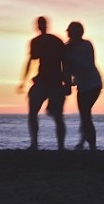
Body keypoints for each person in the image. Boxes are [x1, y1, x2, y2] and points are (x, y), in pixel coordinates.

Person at [17, 16, 68, 150]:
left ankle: (57, 146)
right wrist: (23, 80)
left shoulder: (53, 41)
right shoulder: (40, 41)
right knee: (37, 113)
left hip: (54, 81)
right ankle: (36, 143)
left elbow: (65, 62)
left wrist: (67, 82)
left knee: (55, 115)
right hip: (45, 81)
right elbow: (31, 60)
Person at [65, 21, 103, 151]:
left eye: (69, 30)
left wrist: (72, 82)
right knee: (84, 114)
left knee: (85, 114)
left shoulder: (86, 45)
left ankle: (91, 145)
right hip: (83, 85)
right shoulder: (68, 48)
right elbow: (67, 69)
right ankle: (83, 141)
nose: (67, 32)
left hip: (93, 83)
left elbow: (87, 65)